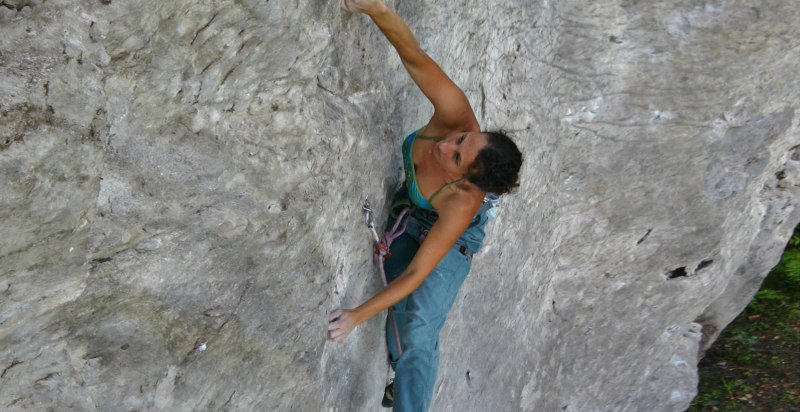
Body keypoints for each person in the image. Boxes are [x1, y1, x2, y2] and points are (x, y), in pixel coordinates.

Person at [328, 1, 523, 410]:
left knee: (419, 329)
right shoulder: (456, 114)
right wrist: (377, 9)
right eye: (462, 139)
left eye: (455, 157)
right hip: (413, 212)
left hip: (455, 239)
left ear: (466, 182)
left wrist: (356, 316)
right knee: (399, 306)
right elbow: (413, 56)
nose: (446, 145)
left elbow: (419, 272)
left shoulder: (463, 204)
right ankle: (406, 378)